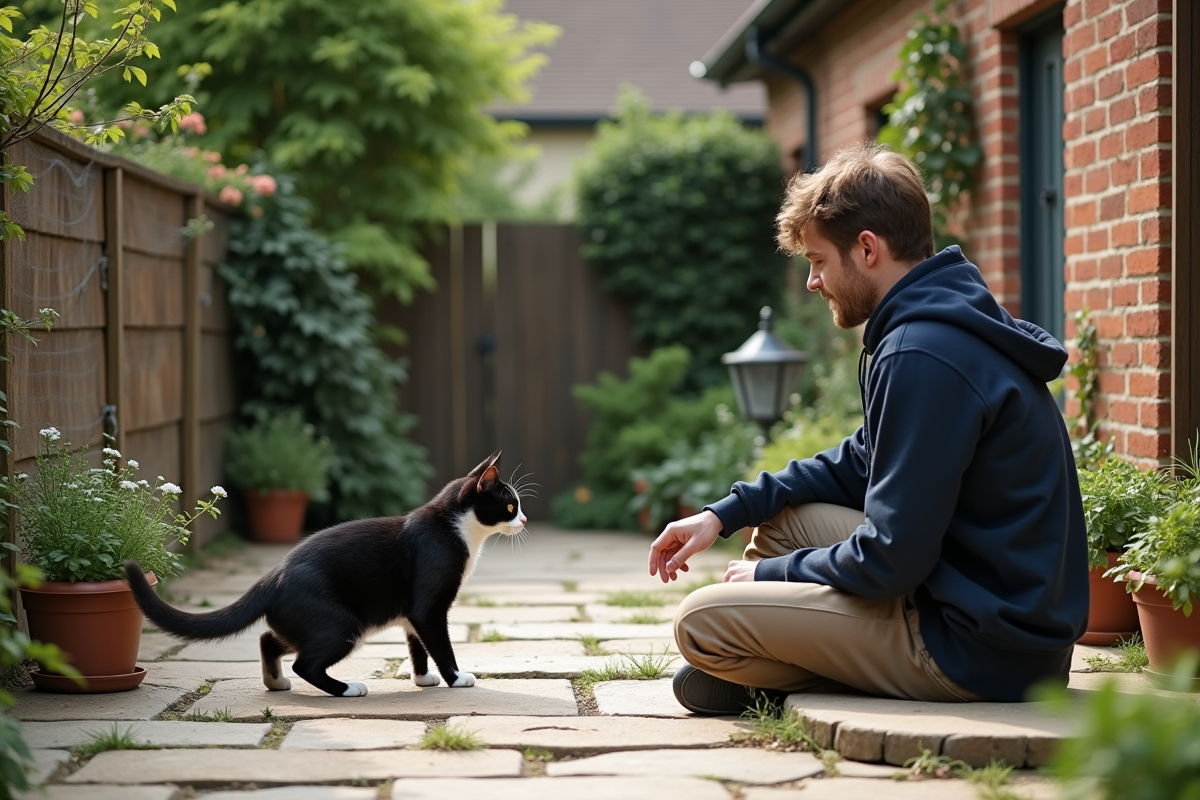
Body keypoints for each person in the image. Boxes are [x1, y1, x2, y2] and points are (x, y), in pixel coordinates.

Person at [649, 142, 1087, 715]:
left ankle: (803, 665)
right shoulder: (941, 326)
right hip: (979, 606)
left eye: (817, 261)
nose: (812, 282)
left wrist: (768, 574)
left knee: (701, 621)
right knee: (784, 522)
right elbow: (861, 460)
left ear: (867, 248)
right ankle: (795, 651)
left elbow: (891, 557)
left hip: (976, 649)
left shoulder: (922, 352)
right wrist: (724, 514)